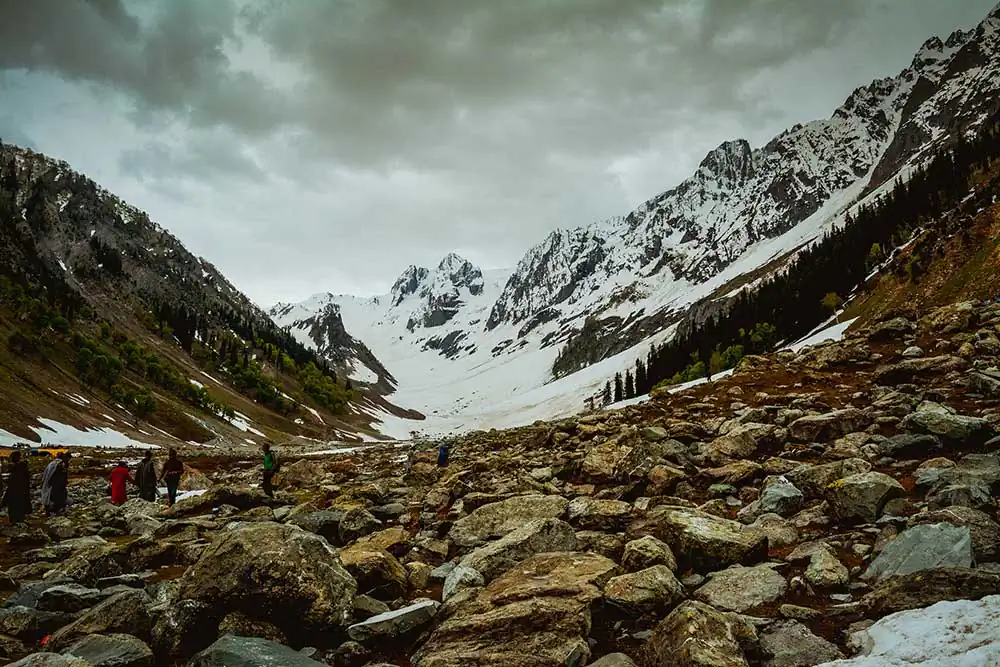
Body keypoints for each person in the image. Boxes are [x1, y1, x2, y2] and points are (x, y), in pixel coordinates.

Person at [2, 451, 32, 524]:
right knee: (19, 509)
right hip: (21, 494)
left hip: (15, 494)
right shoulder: (22, 468)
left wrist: (4, 500)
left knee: (14, 510)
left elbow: (11, 486)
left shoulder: (16, 470)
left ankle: (16, 522)